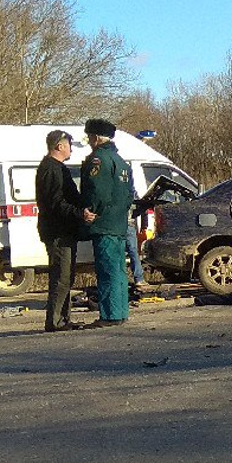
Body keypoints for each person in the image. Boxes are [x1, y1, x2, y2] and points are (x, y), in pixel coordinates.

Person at [34, 130, 95, 332]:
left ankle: (63, 318)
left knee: (67, 276)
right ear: (59, 146)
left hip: (65, 230)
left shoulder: (59, 168)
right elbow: (56, 203)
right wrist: (80, 214)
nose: (70, 148)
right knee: (61, 277)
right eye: (68, 144)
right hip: (57, 232)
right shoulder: (51, 170)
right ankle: (55, 321)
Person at [79, 118, 134, 327]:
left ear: (94, 137)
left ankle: (109, 315)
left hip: (104, 224)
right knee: (119, 270)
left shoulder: (98, 159)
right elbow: (130, 195)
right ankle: (120, 311)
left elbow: (97, 191)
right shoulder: (120, 161)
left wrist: (92, 212)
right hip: (119, 224)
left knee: (107, 270)